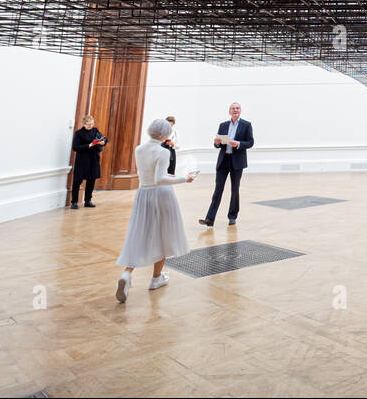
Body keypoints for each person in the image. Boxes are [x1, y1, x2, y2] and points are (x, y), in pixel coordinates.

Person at [115, 118, 196, 301]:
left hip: (144, 193)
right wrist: (185, 178)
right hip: (161, 195)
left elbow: (149, 174)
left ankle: (127, 273)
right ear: (165, 134)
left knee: (139, 233)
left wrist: (169, 175)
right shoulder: (162, 151)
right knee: (163, 235)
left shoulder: (139, 149)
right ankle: (156, 278)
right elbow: (160, 179)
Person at [200, 101, 253, 227]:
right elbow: (216, 145)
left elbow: (250, 142)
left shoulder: (246, 125)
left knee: (235, 190)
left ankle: (232, 217)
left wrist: (238, 144)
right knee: (218, 190)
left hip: (237, 162)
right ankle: (210, 219)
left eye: (237, 108)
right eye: (233, 108)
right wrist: (217, 142)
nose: (235, 110)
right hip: (223, 161)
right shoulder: (223, 125)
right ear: (229, 111)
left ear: (240, 111)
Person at [70, 114, 106, 208]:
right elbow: (75, 147)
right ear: (84, 124)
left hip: (94, 159)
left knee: (91, 181)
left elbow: (104, 139)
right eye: (89, 124)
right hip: (82, 160)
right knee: (77, 181)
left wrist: (103, 142)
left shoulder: (95, 130)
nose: (91, 126)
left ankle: (88, 201)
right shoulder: (79, 133)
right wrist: (88, 145)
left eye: (92, 124)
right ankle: (74, 202)